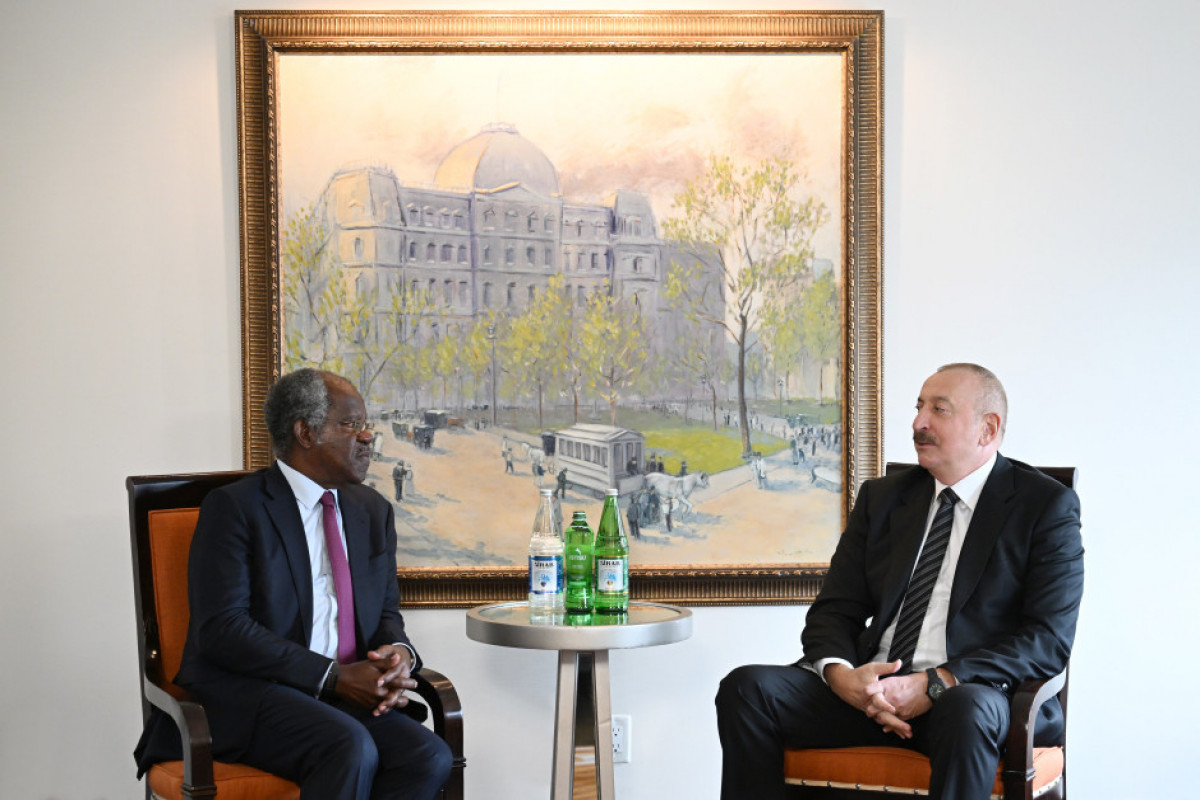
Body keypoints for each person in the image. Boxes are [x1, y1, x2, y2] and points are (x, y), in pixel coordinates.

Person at [716, 363, 1084, 800]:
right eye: (918, 407)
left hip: (968, 695)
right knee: (746, 689)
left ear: (987, 429)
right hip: (871, 691)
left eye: (939, 410)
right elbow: (835, 608)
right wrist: (842, 676)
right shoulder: (884, 497)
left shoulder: (1044, 506)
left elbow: (1047, 640)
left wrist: (935, 682)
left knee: (967, 709)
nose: (918, 422)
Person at [134, 368, 452, 800]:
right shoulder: (235, 507)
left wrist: (397, 657)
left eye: (365, 425)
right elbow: (223, 629)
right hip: (252, 693)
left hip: (341, 697)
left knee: (427, 756)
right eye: (350, 424)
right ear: (305, 432)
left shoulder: (373, 511)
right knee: (348, 746)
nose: (367, 436)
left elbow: (384, 613)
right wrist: (332, 677)